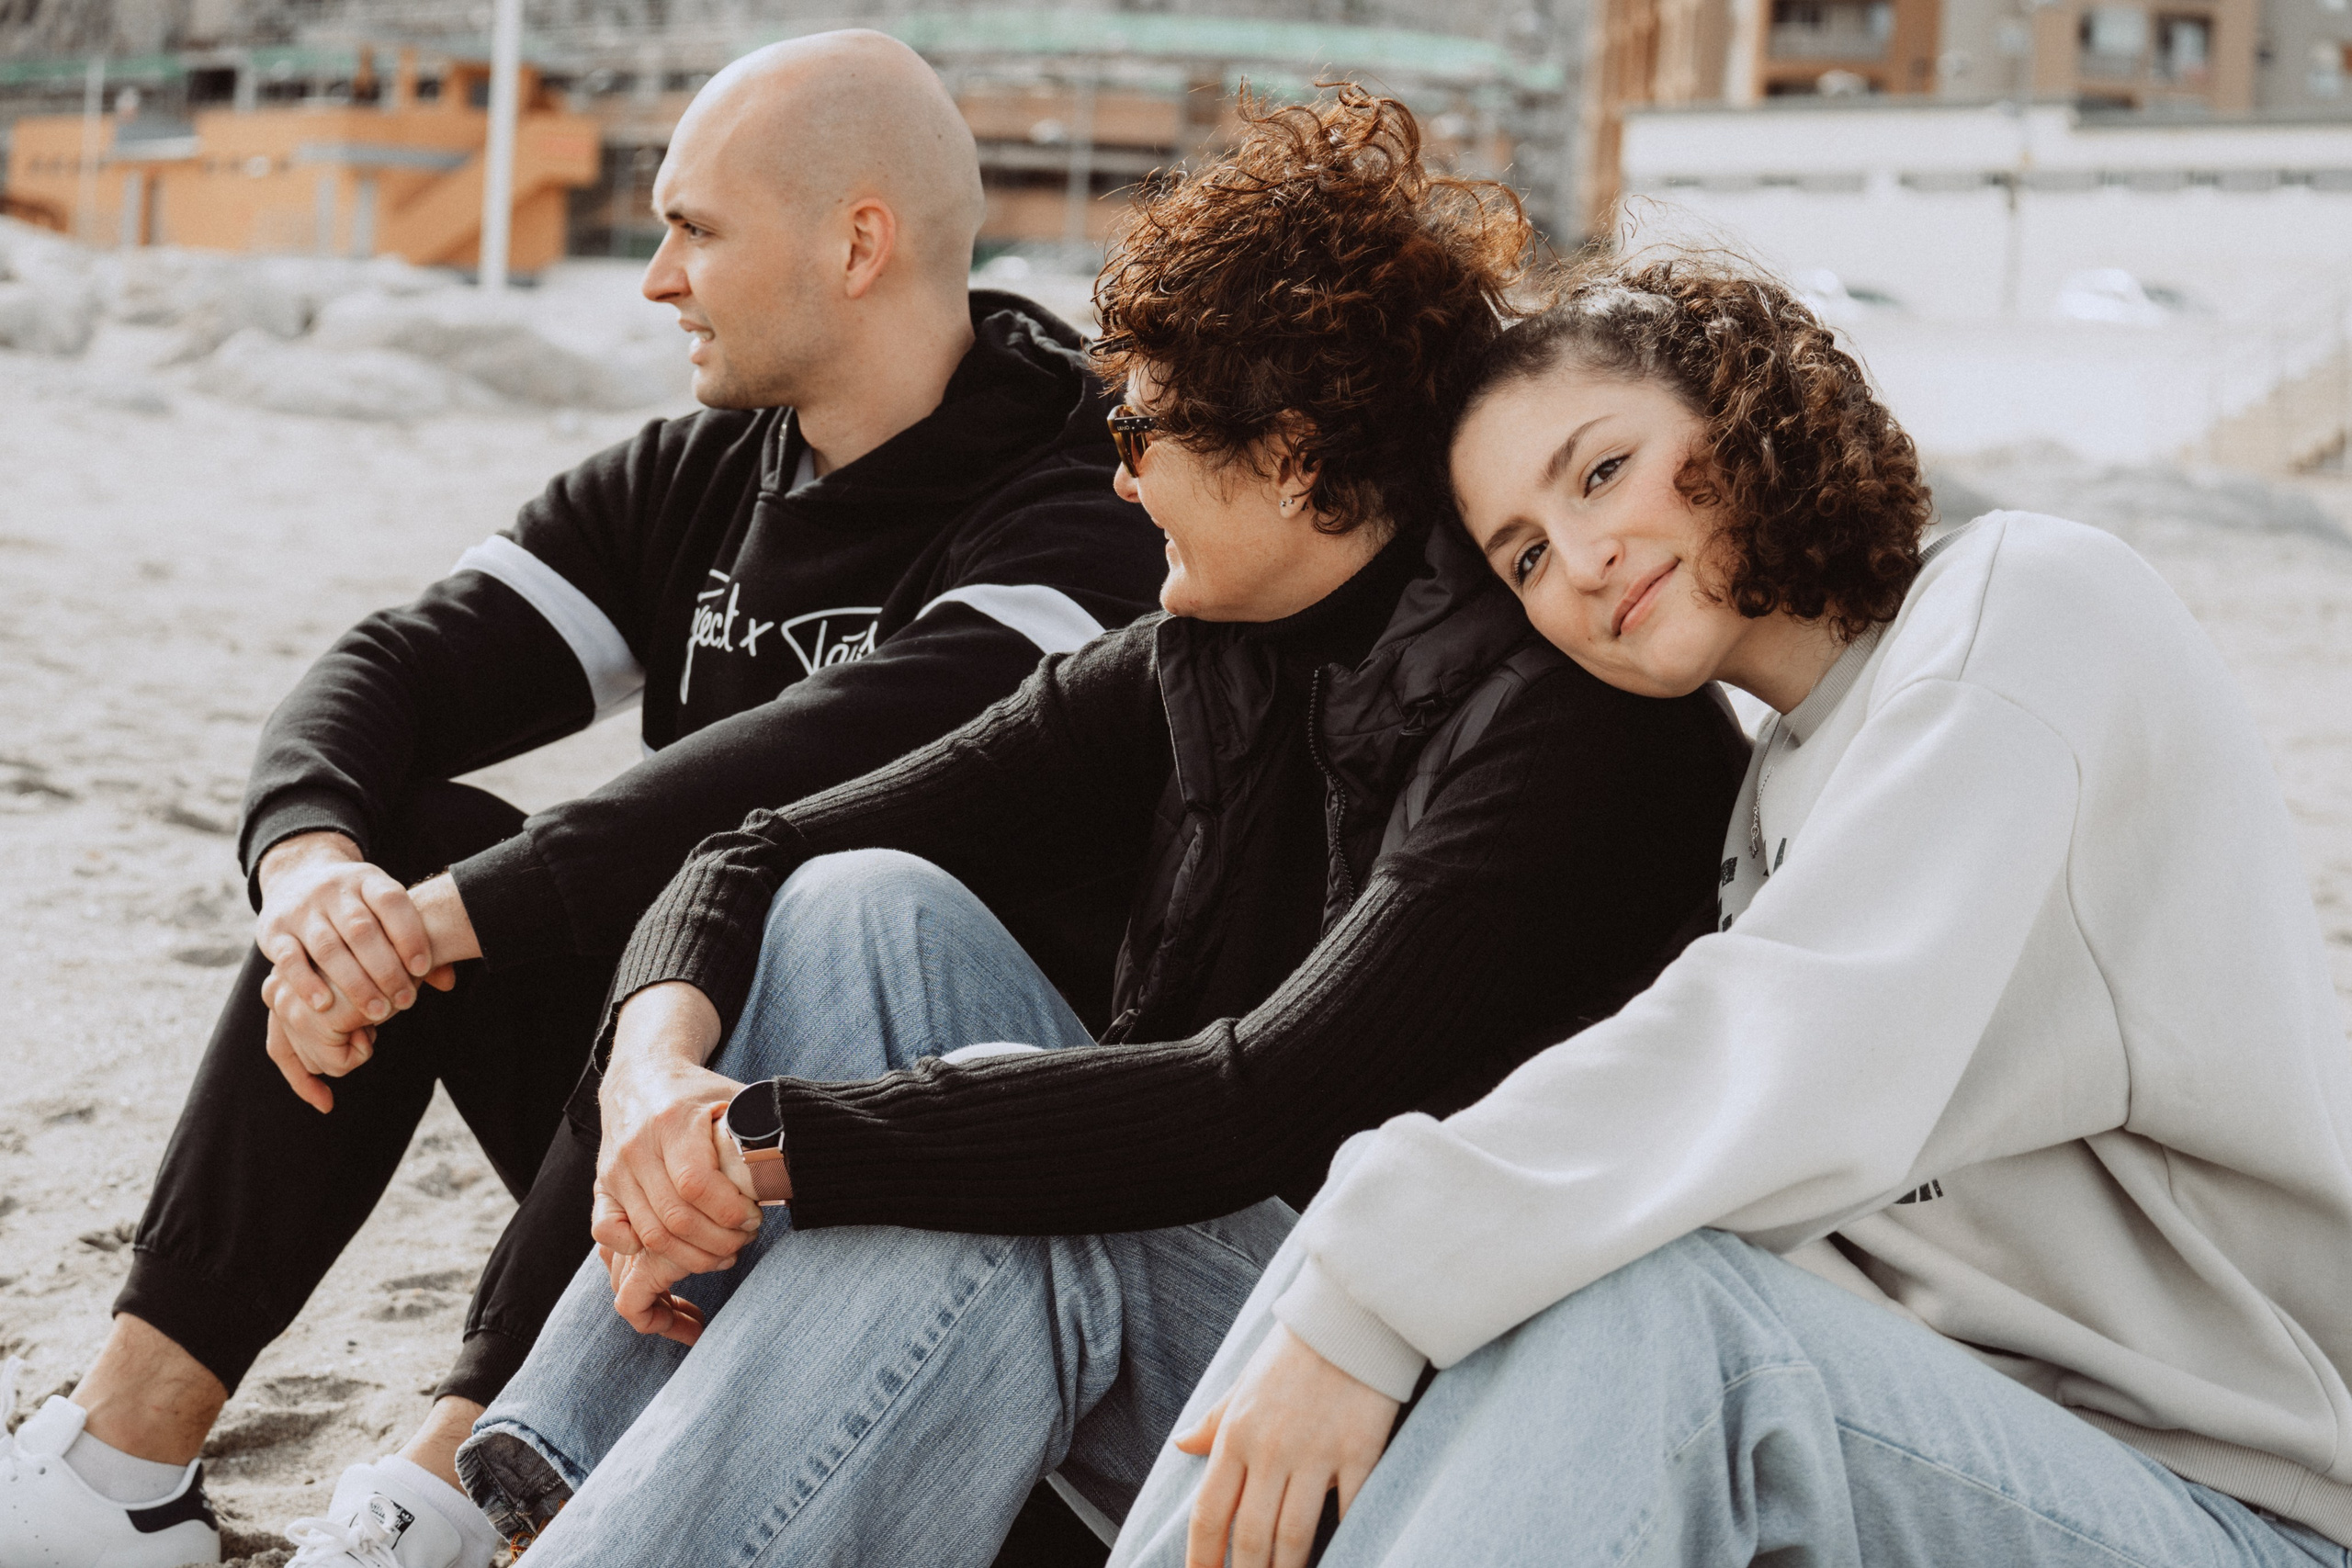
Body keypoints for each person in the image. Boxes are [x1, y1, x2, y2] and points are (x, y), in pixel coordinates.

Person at [444, 87, 1751, 1566]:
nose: (1116, 475)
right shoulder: (1215, 648)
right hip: (1239, 1285)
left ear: (1298, 453)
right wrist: (652, 1080)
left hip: (1422, 1394)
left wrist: (763, 1142)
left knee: (1014, 1191)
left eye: (1141, 426)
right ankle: (542, 1483)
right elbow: (752, 846)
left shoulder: (1554, 726)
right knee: (856, 905)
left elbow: (1249, 1106)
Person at [0, 30, 1171, 1568]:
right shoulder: (705, 473)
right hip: (668, 1135)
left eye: (694, 229)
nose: (655, 278)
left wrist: (445, 924)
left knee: (769, 906)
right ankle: (119, 1470)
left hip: (938, 1183)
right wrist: (315, 876)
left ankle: (447, 1484)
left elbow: (805, 775)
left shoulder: (1093, 487)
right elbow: (393, 668)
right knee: (405, 840)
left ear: (857, 241)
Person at [1104, 253, 2352, 1568]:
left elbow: (1809, 1045)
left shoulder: (2025, 609)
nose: (1581, 562)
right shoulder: (1775, 794)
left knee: (1631, 1307)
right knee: (1387, 1258)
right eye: (1524, 555)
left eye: (1600, 471)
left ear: (1743, 404)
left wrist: (1374, 1290)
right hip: (1947, 1439)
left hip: (2234, 1509)